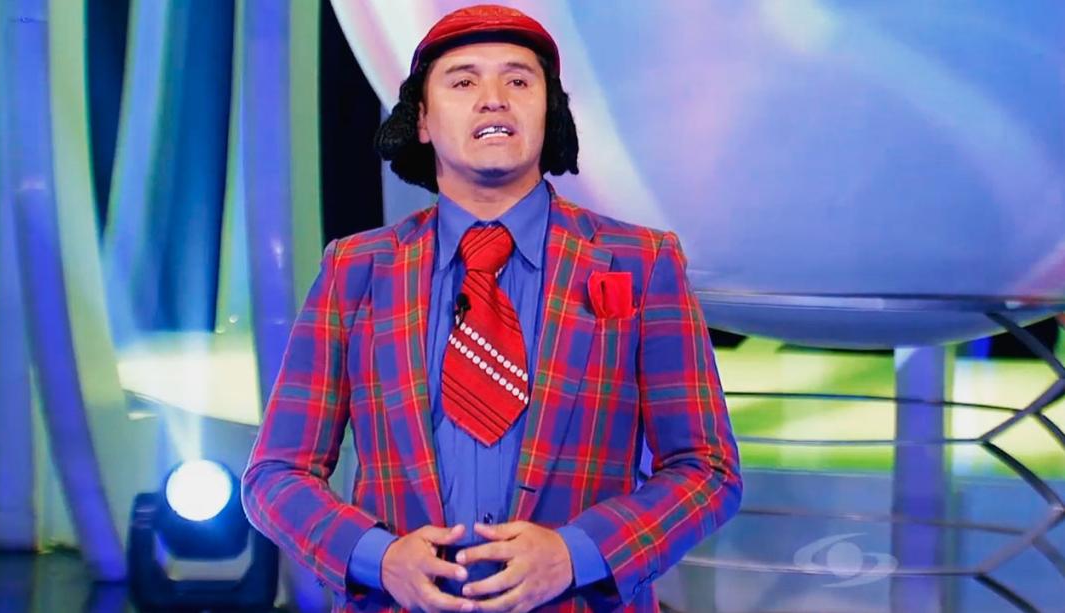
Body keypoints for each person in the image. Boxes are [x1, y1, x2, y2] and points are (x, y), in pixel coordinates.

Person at [242, 5, 741, 612]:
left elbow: (707, 469)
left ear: (549, 112)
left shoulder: (640, 263)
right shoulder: (357, 270)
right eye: (463, 82)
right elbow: (276, 476)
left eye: (518, 80)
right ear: (422, 120)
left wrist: (577, 555)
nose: (494, 100)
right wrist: (378, 558)